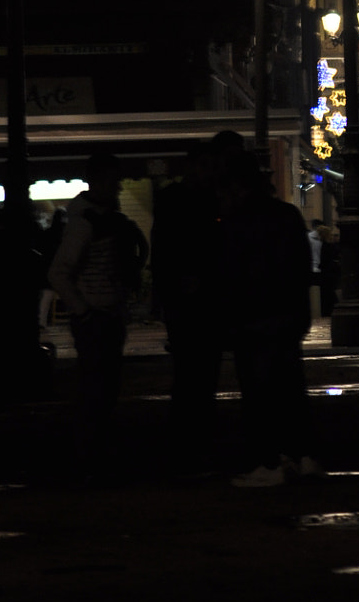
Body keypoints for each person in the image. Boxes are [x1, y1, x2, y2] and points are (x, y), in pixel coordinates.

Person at [218, 157, 318, 487]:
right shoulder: (286, 215)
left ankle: (268, 461)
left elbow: (233, 273)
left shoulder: (237, 222)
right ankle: (301, 456)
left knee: (259, 395)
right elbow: (302, 267)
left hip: (254, 318)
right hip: (286, 315)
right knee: (291, 389)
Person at [47, 151, 146, 472]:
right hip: (97, 318)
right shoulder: (85, 223)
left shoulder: (97, 219)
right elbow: (58, 273)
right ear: (99, 181)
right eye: (114, 182)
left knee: (102, 389)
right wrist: (85, 312)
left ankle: (93, 453)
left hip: (105, 315)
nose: (118, 188)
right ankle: (90, 455)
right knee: (97, 391)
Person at [152, 144, 227, 468]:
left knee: (195, 374)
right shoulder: (200, 199)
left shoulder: (183, 198)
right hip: (192, 295)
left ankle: (190, 444)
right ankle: (192, 443)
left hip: (193, 295)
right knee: (195, 375)